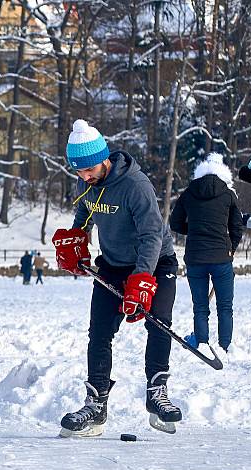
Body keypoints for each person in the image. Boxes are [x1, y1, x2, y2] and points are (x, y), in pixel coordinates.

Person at [53, 119, 181, 437]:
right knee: (99, 333)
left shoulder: (136, 186)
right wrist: (75, 241)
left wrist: (141, 279)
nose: (84, 176)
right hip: (112, 265)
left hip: (155, 263)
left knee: (160, 324)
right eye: (78, 171)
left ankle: (157, 394)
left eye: (88, 169)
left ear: (104, 157)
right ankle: (95, 406)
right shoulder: (88, 183)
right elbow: (83, 214)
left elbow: (152, 235)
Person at [169, 153, 243, 354]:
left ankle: (201, 342)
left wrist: (193, 230)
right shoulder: (228, 195)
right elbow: (237, 227)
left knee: (200, 306)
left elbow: (174, 223)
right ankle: (224, 347)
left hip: (195, 258)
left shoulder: (188, 193)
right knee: (225, 307)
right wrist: (231, 247)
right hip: (221, 258)